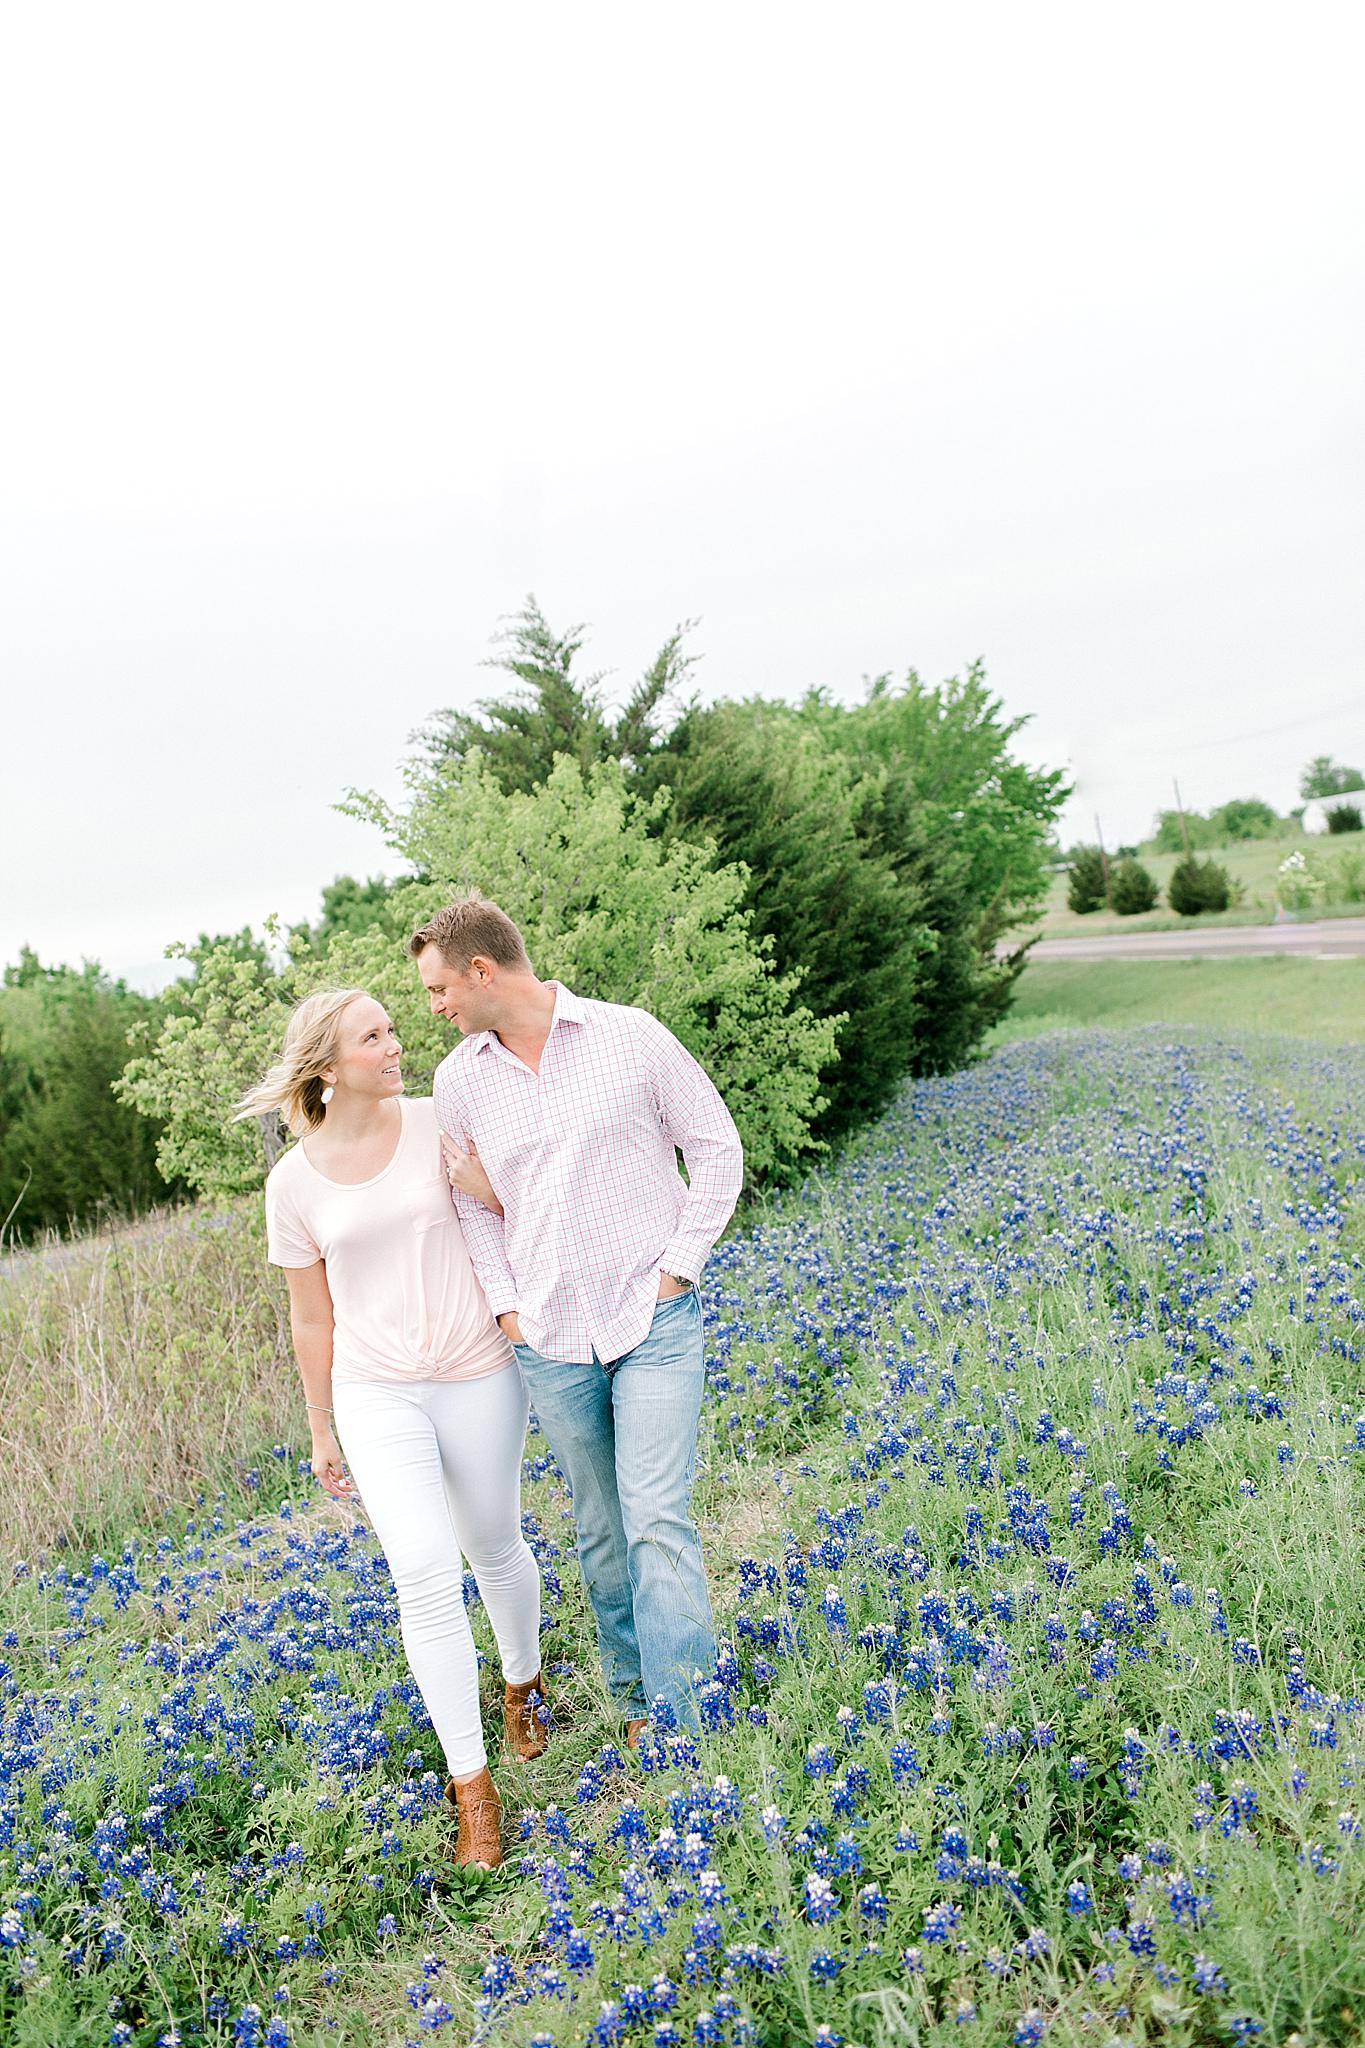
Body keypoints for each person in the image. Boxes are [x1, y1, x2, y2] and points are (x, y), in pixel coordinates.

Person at [412, 893, 744, 1741]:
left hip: (651, 1315)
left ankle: (686, 1720)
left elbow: (714, 1145)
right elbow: (475, 1213)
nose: (437, 1006)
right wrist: (510, 1312)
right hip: (550, 1336)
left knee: (656, 1511)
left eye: (440, 988)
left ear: (481, 971)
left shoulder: (628, 1034)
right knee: (601, 1527)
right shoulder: (459, 1083)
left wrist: (681, 1266)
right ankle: (636, 1700)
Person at [238, 986, 545, 1869]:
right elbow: (310, 1318)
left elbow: (508, 1203)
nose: (394, 1044)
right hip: (377, 1392)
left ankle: (521, 1682)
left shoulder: (439, 1119)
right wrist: (320, 1423)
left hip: (476, 1370)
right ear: (328, 1069)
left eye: (391, 1029)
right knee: (421, 1570)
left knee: (492, 1542)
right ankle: (473, 1788)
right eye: (372, 1037)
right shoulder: (291, 1183)